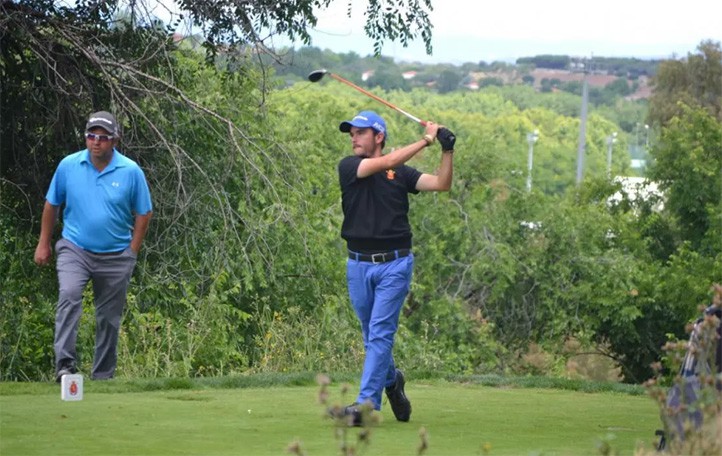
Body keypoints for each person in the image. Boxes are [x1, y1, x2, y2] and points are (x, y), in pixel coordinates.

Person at [335, 110, 456, 425]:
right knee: (370, 335)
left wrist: (447, 149)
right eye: (352, 133)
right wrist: (426, 139)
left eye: (360, 132)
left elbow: (442, 184)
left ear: (378, 136)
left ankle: (365, 405)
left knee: (379, 333)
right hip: (358, 265)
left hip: (395, 264)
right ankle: (392, 381)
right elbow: (386, 163)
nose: (353, 137)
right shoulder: (349, 167)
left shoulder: (401, 174)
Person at [34, 111, 153, 382]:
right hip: (75, 248)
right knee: (69, 295)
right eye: (91, 136)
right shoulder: (69, 165)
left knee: (108, 319)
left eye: (102, 137)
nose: (95, 142)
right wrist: (43, 243)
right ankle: (65, 366)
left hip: (116, 255)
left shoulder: (130, 171)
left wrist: (131, 252)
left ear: (114, 141)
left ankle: (103, 376)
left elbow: (144, 212)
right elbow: (52, 204)